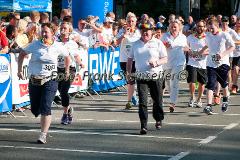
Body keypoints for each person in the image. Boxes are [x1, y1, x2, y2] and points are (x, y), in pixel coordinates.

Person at [17, 23, 71, 144]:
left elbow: (67, 57)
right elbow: (22, 53)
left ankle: (43, 134)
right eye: (43, 31)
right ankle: (38, 112)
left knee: (46, 107)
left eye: (46, 31)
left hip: (50, 80)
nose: (44, 34)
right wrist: (19, 70)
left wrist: (67, 71)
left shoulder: (57, 46)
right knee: (35, 109)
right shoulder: (35, 44)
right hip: (34, 80)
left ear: (52, 33)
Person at [127, 21, 167, 135]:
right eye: (143, 31)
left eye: (147, 31)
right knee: (142, 102)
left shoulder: (158, 43)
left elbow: (165, 58)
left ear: (152, 31)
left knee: (157, 100)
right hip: (141, 76)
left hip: (156, 75)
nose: (145, 33)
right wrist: (128, 73)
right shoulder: (135, 44)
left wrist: (157, 62)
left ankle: (158, 119)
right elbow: (130, 60)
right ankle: (143, 126)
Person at [203, 19, 235, 115]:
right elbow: (207, 45)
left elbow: (232, 46)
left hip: (223, 64)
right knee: (210, 84)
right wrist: (200, 52)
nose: (210, 30)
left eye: (212, 28)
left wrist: (223, 54)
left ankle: (225, 101)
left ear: (218, 26)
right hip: (211, 64)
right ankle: (209, 106)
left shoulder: (224, 35)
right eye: (209, 28)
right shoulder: (208, 35)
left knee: (224, 84)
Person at [57, 22, 84, 125]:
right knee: (60, 91)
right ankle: (68, 109)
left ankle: (65, 115)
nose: (63, 30)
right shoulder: (55, 42)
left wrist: (80, 63)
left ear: (69, 31)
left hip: (70, 69)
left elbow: (76, 55)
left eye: (65, 28)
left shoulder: (72, 43)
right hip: (58, 69)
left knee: (64, 91)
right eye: (62, 28)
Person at [161, 19, 189, 112]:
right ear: (169, 27)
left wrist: (188, 49)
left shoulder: (183, 37)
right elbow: (160, 47)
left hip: (179, 62)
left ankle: (172, 102)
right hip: (167, 63)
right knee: (168, 83)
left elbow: (186, 47)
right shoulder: (165, 36)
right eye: (172, 27)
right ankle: (172, 97)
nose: (173, 28)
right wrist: (165, 46)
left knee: (175, 82)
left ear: (179, 27)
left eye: (175, 27)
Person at [116, 12, 141, 109]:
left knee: (134, 81)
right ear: (126, 22)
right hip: (125, 60)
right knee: (130, 81)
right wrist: (124, 35)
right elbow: (116, 43)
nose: (131, 23)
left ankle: (130, 100)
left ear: (136, 22)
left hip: (136, 59)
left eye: (132, 21)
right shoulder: (121, 31)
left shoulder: (139, 32)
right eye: (129, 21)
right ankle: (131, 98)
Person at [186, 20, 208, 108]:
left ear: (204, 27)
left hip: (203, 63)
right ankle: (192, 97)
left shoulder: (207, 37)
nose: (200, 28)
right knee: (192, 82)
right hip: (192, 63)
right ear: (196, 27)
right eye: (198, 26)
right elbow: (185, 46)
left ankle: (199, 99)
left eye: (201, 26)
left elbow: (211, 49)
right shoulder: (190, 37)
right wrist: (190, 51)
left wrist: (201, 53)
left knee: (202, 83)